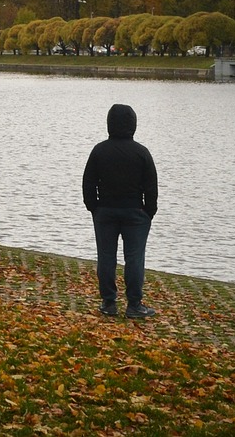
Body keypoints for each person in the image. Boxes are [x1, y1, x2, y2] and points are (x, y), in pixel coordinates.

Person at [82, 103, 159, 319]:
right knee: (134, 258)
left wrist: (94, 207)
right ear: (133, 124)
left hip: (105, 211)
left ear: (109, 124)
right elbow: (151, 186)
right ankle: (134, 304)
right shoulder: (141, 153)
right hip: (135, 213)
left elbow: (88, 182)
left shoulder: (99, 150)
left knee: (106, 257)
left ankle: (109, 302)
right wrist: (148, 212)